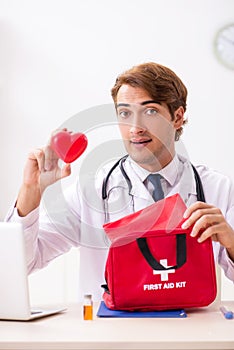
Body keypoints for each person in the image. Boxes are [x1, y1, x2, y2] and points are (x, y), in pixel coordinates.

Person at [6, 62, 234, 301]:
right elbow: (21, 265)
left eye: (150, 111)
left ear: (177, 117)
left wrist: (231, 242)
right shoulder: (92, 191)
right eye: (125, 113)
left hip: (193, 332)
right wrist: (31, 192)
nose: (135, 128)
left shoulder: (216, 188)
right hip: (112, 334)